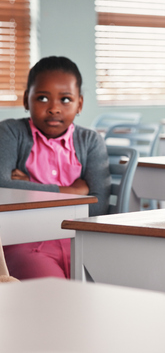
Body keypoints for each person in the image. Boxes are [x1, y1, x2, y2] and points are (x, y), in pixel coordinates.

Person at [0, 56, 110, 280]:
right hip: (25, 244)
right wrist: (74, 192)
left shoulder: (90, 141)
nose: (53, 109)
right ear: (26, 100)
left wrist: (28, 187)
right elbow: (2, 188)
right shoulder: (10, 133)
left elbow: (98, 206)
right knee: (54, 298)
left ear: (79, 104)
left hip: (82, 243)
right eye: (42, 98)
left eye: (65, 99)